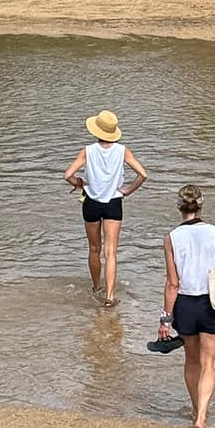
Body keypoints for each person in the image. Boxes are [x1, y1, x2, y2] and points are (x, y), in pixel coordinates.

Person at [157, 185, 215, 428]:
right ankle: (202, 415)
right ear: (201, 205)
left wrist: (165, 320)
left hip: (185, 304)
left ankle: (194, 408)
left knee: (191, 360)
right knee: (209, 362)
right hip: (212, 302)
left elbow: (172, 283)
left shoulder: (171, 237)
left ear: (179, 206)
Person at [63, 110, 147, 306]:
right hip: (114, 202)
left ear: (96, 130)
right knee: (111, 252)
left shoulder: (87, 151)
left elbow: (67, 175)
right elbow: (143, 174)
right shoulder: (123, 151)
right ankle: (109, 297)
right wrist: (127, 191)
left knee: (94, 248)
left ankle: (96, 287)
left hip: (91, 202)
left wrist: (80, 183)